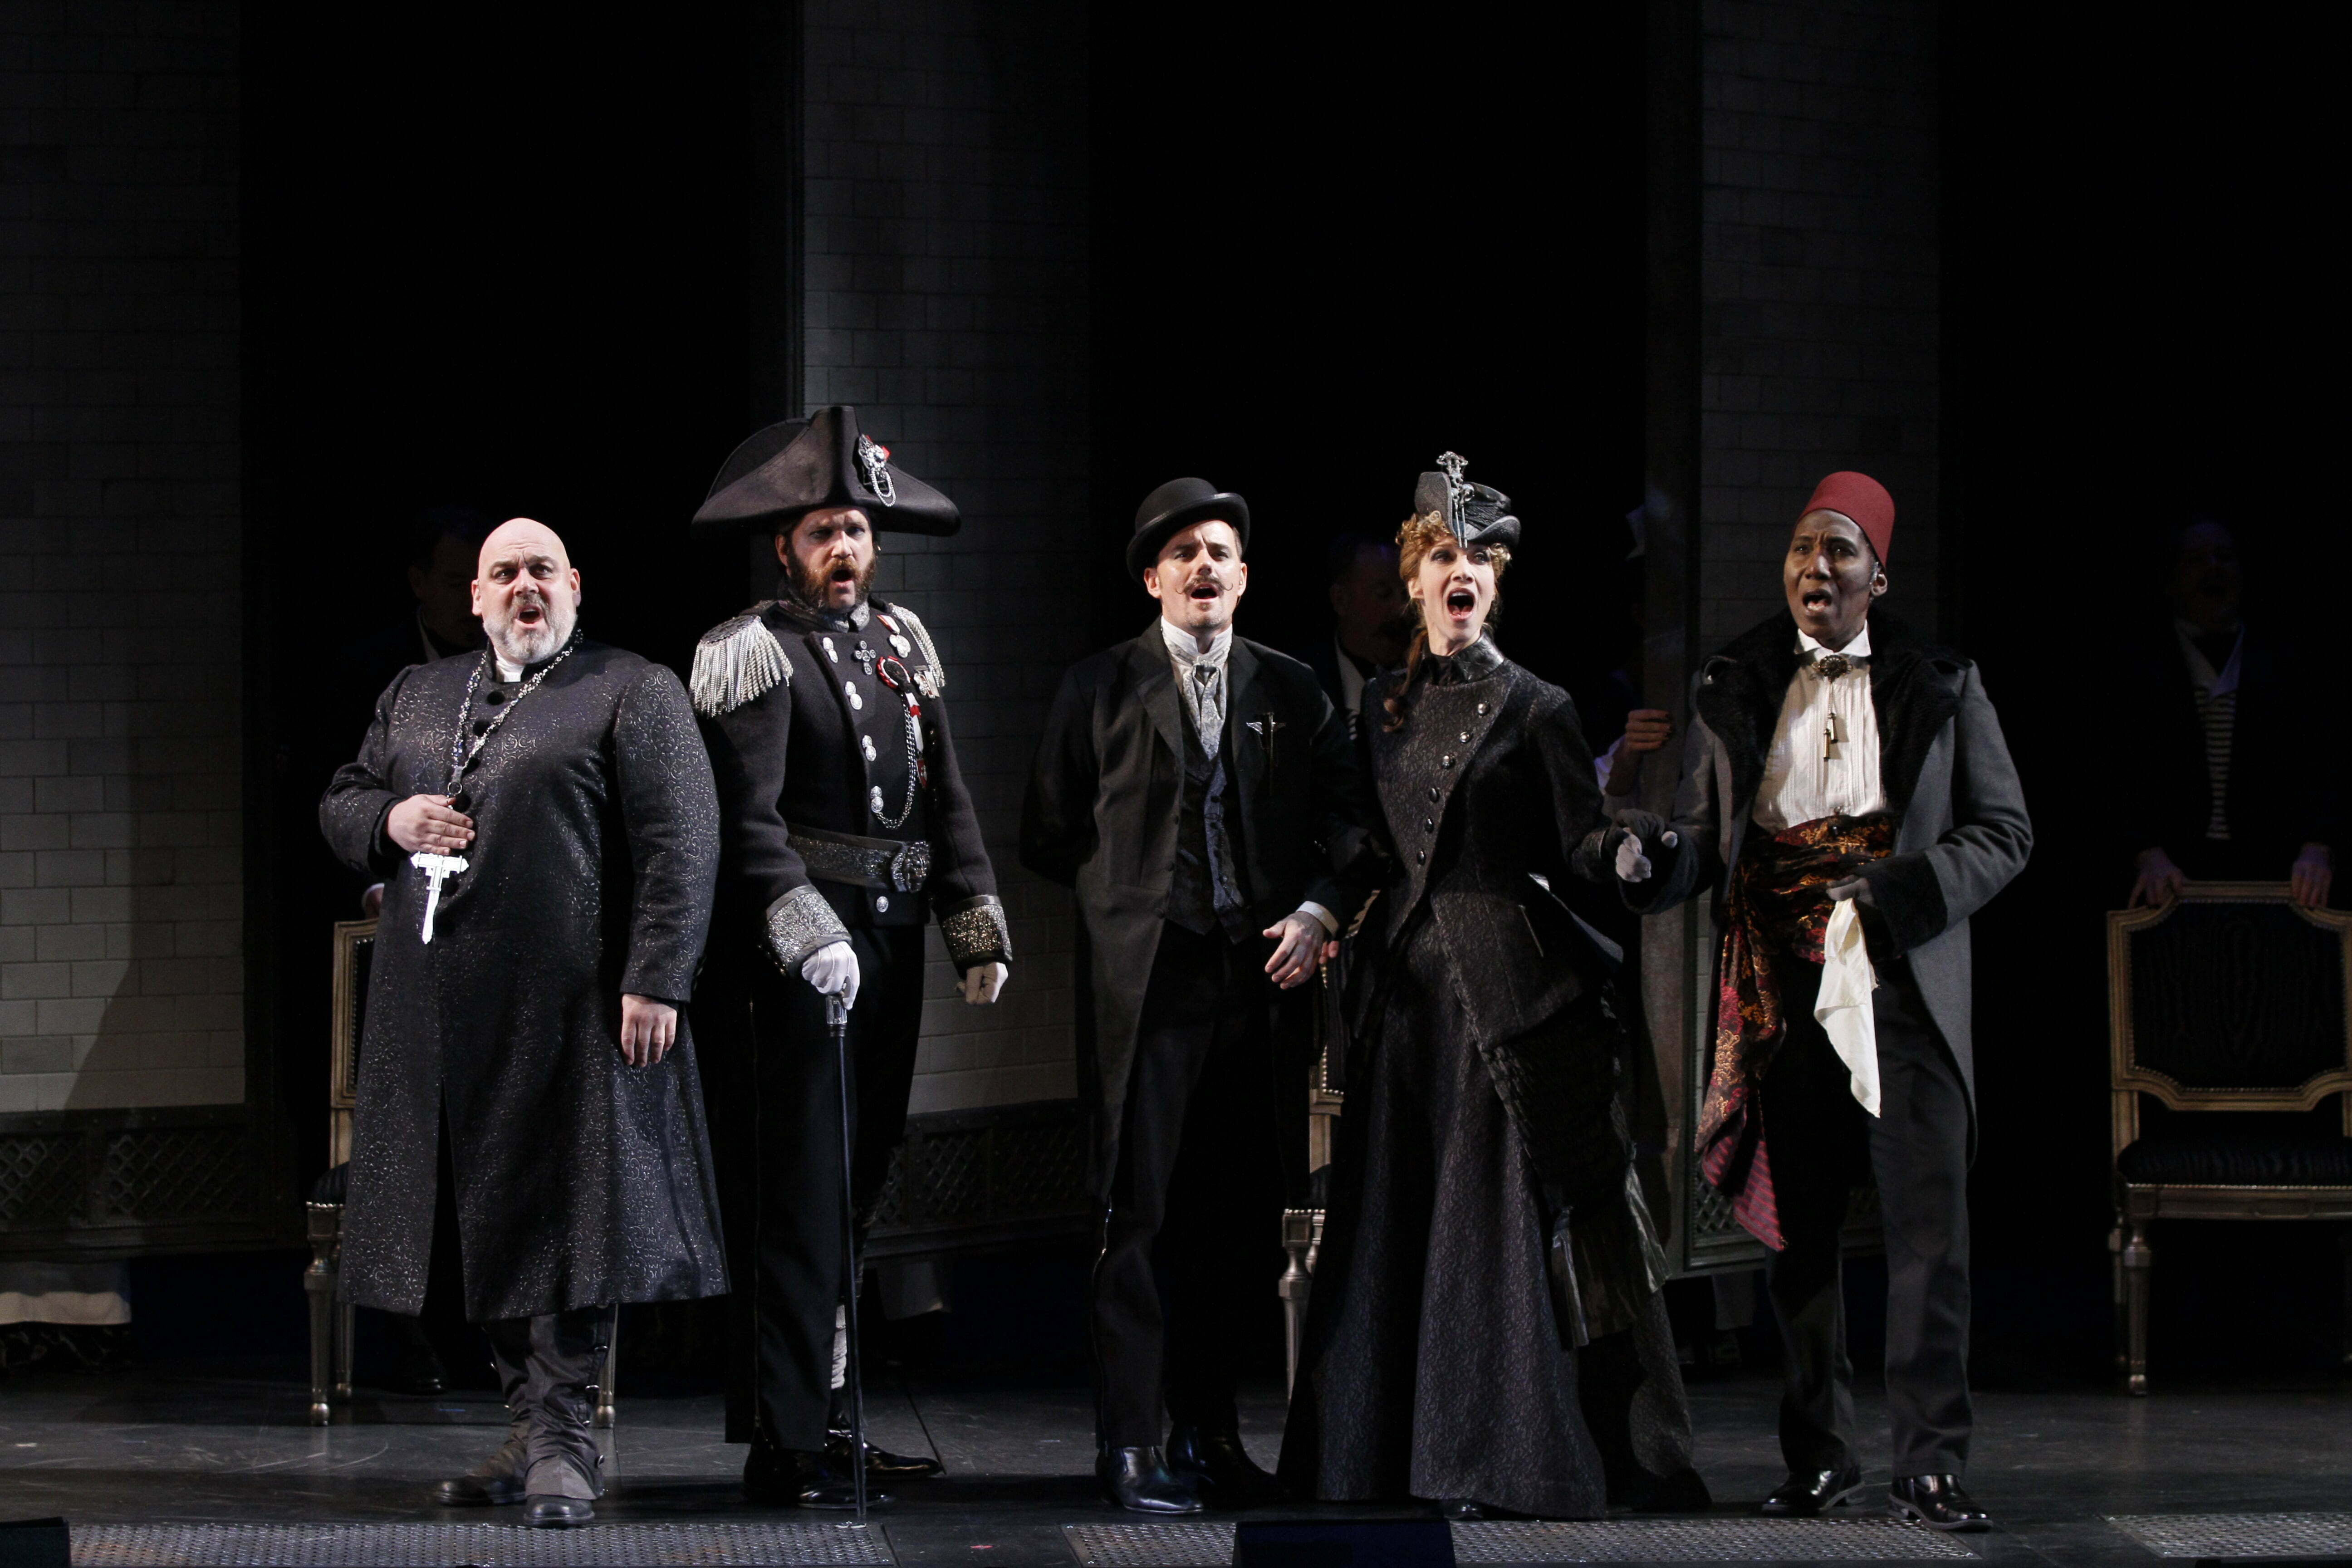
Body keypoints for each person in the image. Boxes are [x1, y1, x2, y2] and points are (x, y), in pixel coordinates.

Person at [1279, 455, 1706, 1521]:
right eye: (1441, 557)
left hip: (1506, 995)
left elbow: (1578, 839)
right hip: (1402, 1007)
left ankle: (1493, 1461)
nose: (1459, 573)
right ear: (1414, 580)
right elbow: (1366, 851)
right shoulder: (1380, 706)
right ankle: (1377, 1461)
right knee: (1396, 1222)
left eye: (1478, 560)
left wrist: (1629, 850)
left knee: (1488, 1227)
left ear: (1495, 582)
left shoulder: (1536, 705)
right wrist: (1320, 911)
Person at [1601, 472, 2030, 1531]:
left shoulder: (1942, 682)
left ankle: (1928, 1463)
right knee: (1797, 1239)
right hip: (1781, 995)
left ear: (1877, 577)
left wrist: (1906, 891)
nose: (1816, 569)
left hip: (1901, 989)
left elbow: (2004, 832)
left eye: (1840, 552)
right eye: (1803, 549)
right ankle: (1820, 1454)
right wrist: (1652, 856)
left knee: (1928, 1237)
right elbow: (1701, 837)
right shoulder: (1738, 681)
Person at [319, 518, 728, 1528]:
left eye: (542, 570)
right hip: (439, 1017)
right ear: (475, 596)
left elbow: (683, 840)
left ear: (575, 586)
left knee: (570, 1221)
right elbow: (344, 796)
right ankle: (526, 1426)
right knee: (477, 1224)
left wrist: (658, 978)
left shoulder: (631, 688)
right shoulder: (418, 694)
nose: (523, 588)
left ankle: (564, 1441)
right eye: (503, 573)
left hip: (574, 1013)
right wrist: (390, 821)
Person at [1023, 476, 1379, 1514]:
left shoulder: (1292, 689)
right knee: (1132, 1213)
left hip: (1257, 979)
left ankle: (1210, 1431)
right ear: (1153, 578)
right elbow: (1048, 831)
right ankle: (1131, 1443)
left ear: (1246, 575)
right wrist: (1131, 903)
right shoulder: (1099, 686)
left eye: (1220, 551)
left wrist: (1316, 911)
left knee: (1234, 1219)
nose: (1204, 566)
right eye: (1183, 552)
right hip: (1151, 985)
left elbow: (1353, 828)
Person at [690, 407, 1011, 1509]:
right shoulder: (751, 650)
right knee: (802, 1193)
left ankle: (830, 1416)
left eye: (857, 532)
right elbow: (747, 821)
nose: (843, 548)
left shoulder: (901, 641)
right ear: (784, 545)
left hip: (893, 940)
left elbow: (944, 795)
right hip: (807, 958)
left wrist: (972, 921)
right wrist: (803, 927)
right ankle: (784, 1437)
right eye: (823, 531)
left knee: (861, 1183)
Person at [2118, 517, 2334, 909]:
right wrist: (2145, 850)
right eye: (2196, 560)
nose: (2213, 568)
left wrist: (2317, 846)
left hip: (2272, 864)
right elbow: (2122, 770)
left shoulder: (2285, 663)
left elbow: (2320, 761)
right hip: (2172, 868)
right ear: (2171, 581)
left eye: (2224, 557)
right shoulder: (2139, 667)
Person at [1288, 532, 1413, 732]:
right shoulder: (1297, 683)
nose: (1401, 609)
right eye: (1383, 594)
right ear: (1341, 600)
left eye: (1406, 594)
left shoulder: (1427, 678)